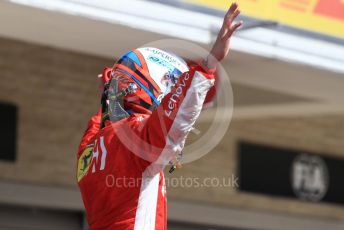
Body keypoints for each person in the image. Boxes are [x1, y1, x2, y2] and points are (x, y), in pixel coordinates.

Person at [76, 3, 242, 230]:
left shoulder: (90, 147)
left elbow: (101, 120)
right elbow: (176, 118)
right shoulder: (134, 141)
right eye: (167, 86)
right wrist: (209, 64)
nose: (167, 93)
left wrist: (110, 92)